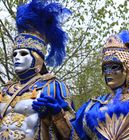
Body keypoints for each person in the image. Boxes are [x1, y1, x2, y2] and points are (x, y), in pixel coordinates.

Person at [0, 0, 78, 139]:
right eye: (14, 54)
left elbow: (74, 135)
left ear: (37, 58)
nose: (17, 58)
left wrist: (57, 114)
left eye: (23, 53)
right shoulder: (5, 90)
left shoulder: (55, 87)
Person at [71, 30, 129, 139]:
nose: (108, 72)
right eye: (105, 68)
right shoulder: (93, 105)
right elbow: (73, 135)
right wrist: (58, 116)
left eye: (114, 67)